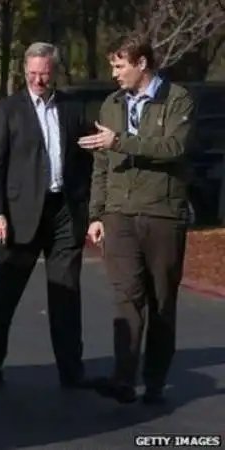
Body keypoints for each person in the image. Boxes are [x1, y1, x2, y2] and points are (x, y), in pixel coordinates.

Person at [78, 33, 195, 405]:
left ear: (142, 64)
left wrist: (120, 142)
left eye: (119, 66)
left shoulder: (177, 99)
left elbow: (174, 148)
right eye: (113, 65)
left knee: (161, 300)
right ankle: (123, 378)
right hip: (120, 216)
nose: (114, 73)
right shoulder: (112, 105)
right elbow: (101, 165)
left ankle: (156, 381)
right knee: (126, 297)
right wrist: (96, 214)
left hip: (162, 214)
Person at [0, 42, 94, 388]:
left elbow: (86, 161)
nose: (38, 80)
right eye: (32, 73)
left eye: (44, 73)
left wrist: (89, 207)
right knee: (6, 291)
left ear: (54, 71)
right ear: (24, 71)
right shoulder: (9, 109)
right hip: (20, 214)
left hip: (64, 212)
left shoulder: (73, 109)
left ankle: (71, 369)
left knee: (66, 292)